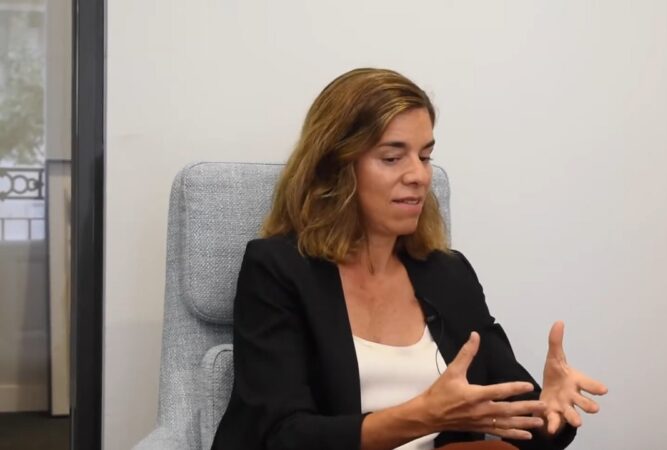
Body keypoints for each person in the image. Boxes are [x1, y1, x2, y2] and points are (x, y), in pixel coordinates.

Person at [211, 68, 607, 450]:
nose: (419, 175)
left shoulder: (449, 274)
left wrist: (551, 410)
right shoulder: (277, 269)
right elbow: (282, 436)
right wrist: (424, 416)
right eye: (392, 157)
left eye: (425, 156)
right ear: (335, 168)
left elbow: (516, 415)